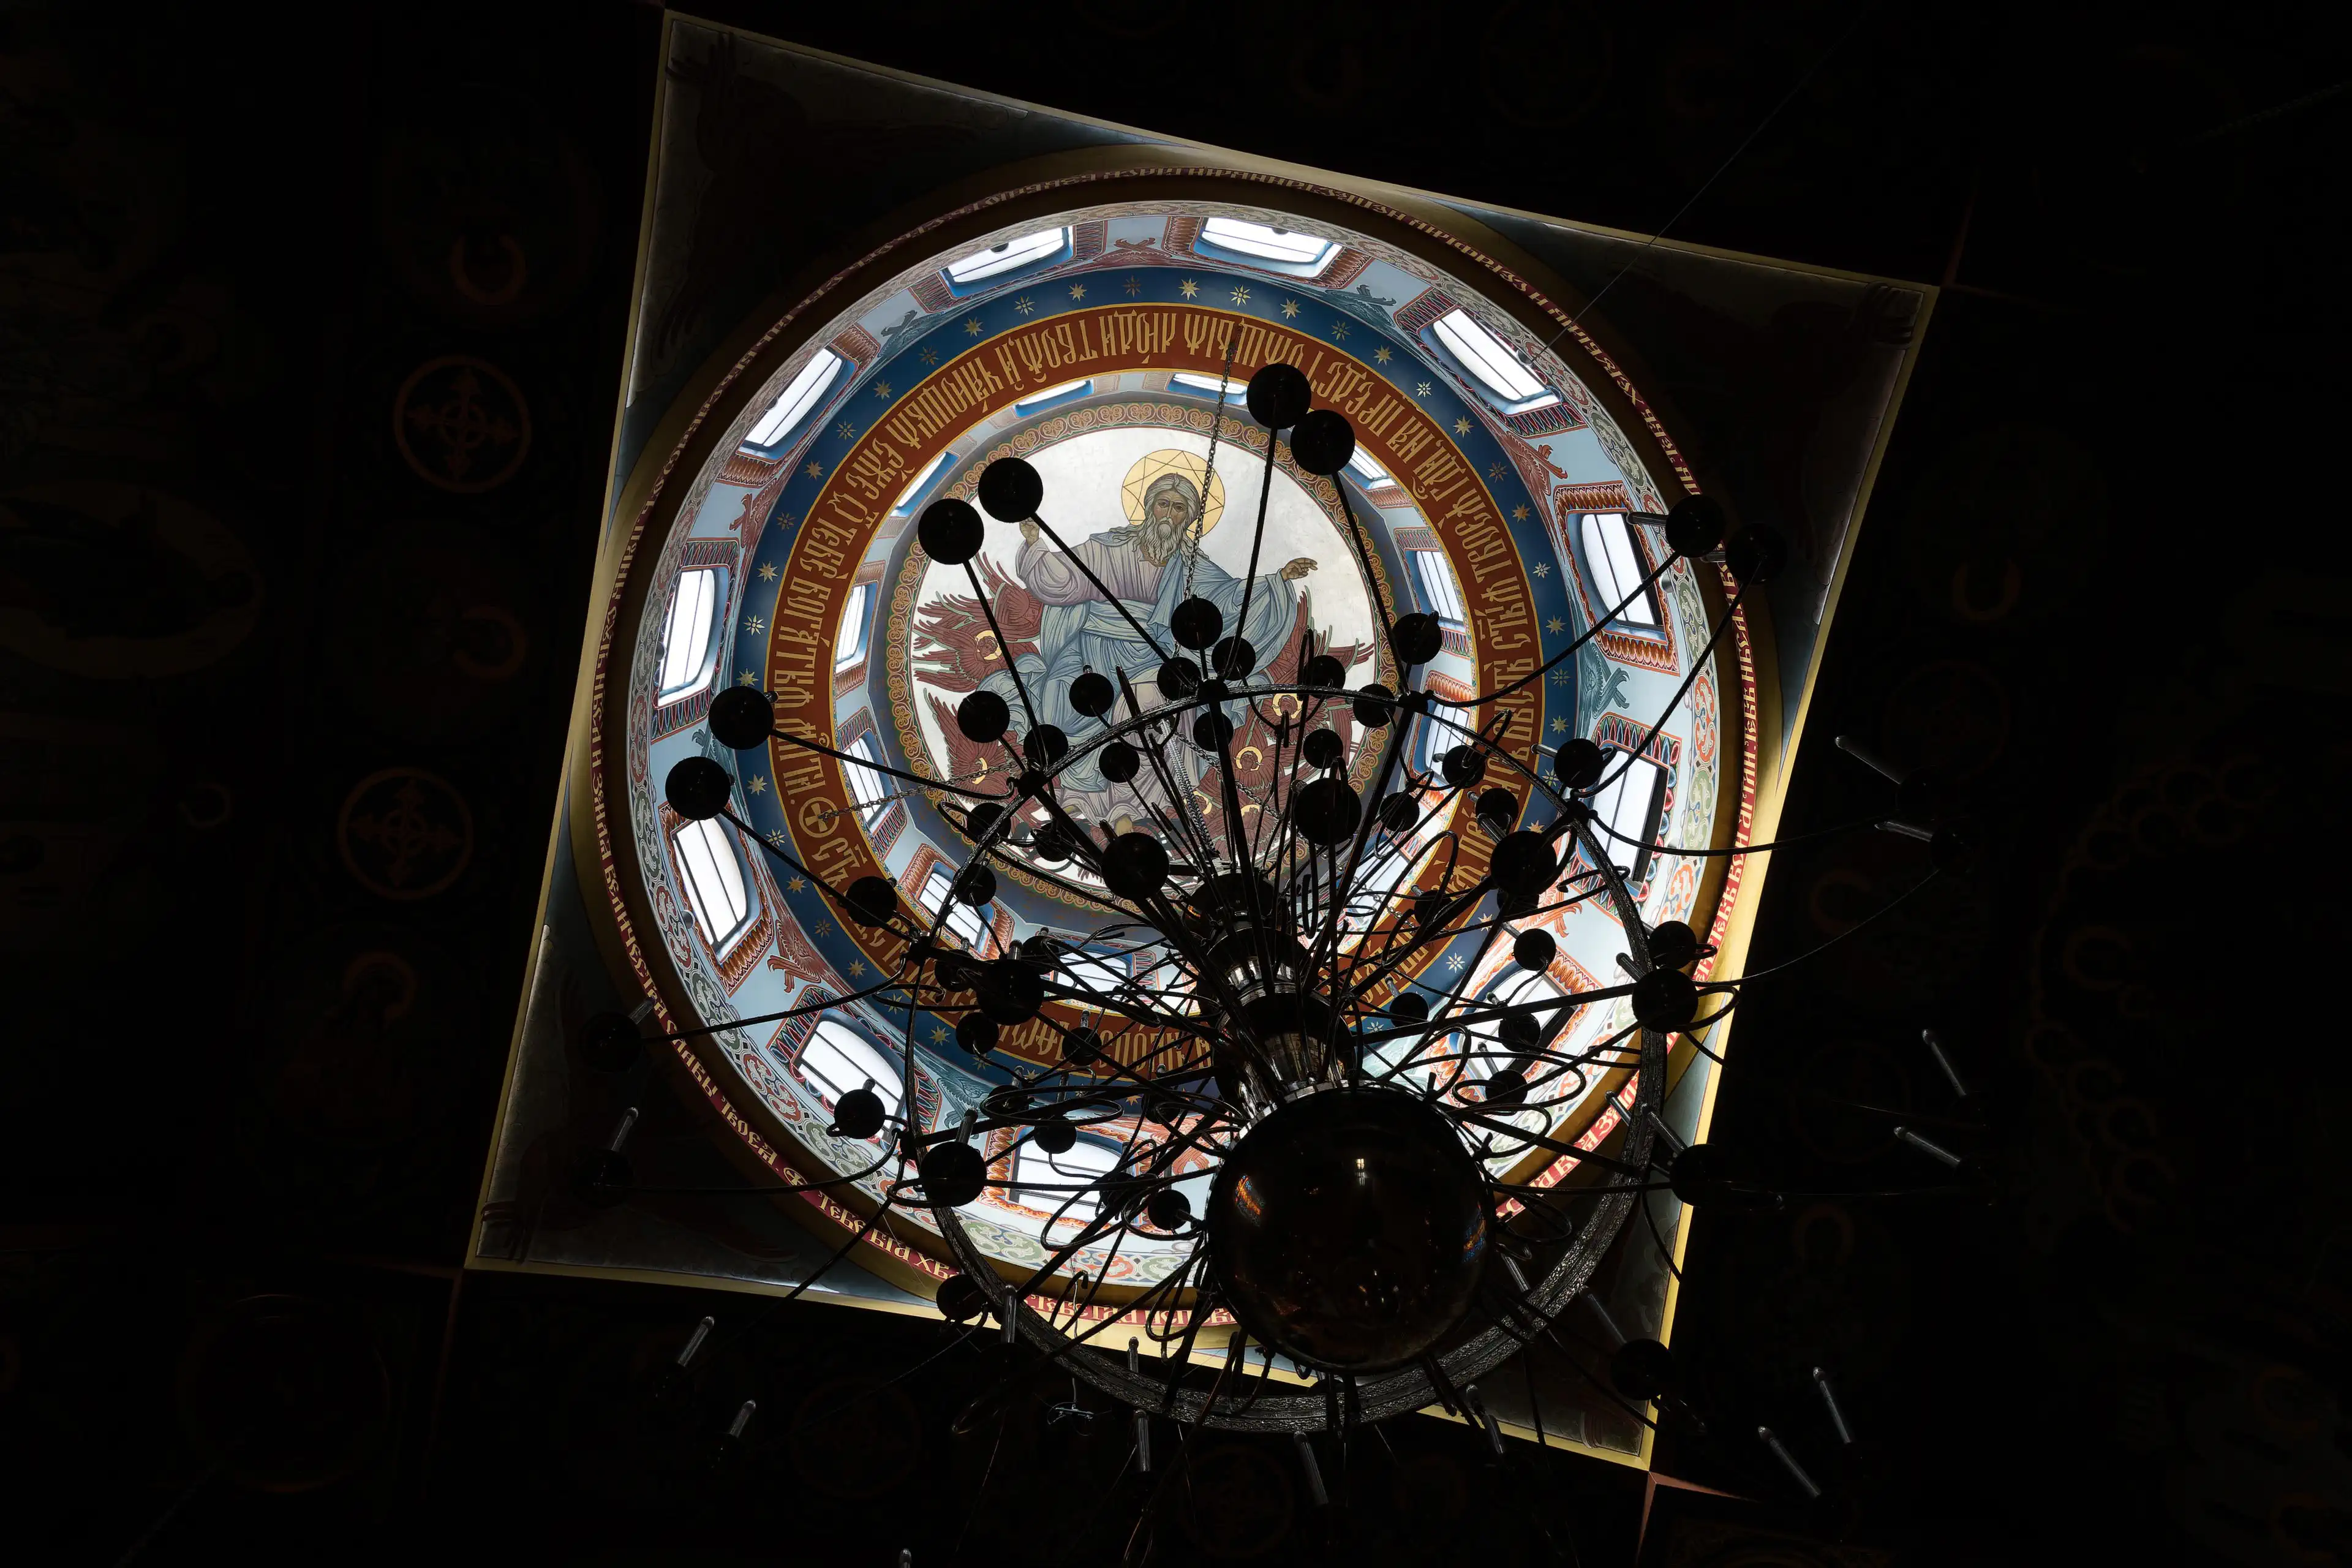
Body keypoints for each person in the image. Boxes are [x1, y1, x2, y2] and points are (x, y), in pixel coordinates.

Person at [976, 470, 1313, 824]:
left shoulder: (1192, 566)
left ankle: (1129, 807)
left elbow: (1226, 602)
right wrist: (1035, 544)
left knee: (1153, 709)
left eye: (1179, 508)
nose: (1169, 514)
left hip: (1155, 654)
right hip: (1096, 646)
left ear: (1189, 518)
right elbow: (1066, 579)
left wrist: (1277, 580)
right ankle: (1079, 797)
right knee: (1063, 698)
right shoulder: (1109, 548)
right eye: (1163, 504)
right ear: (1150, 507)